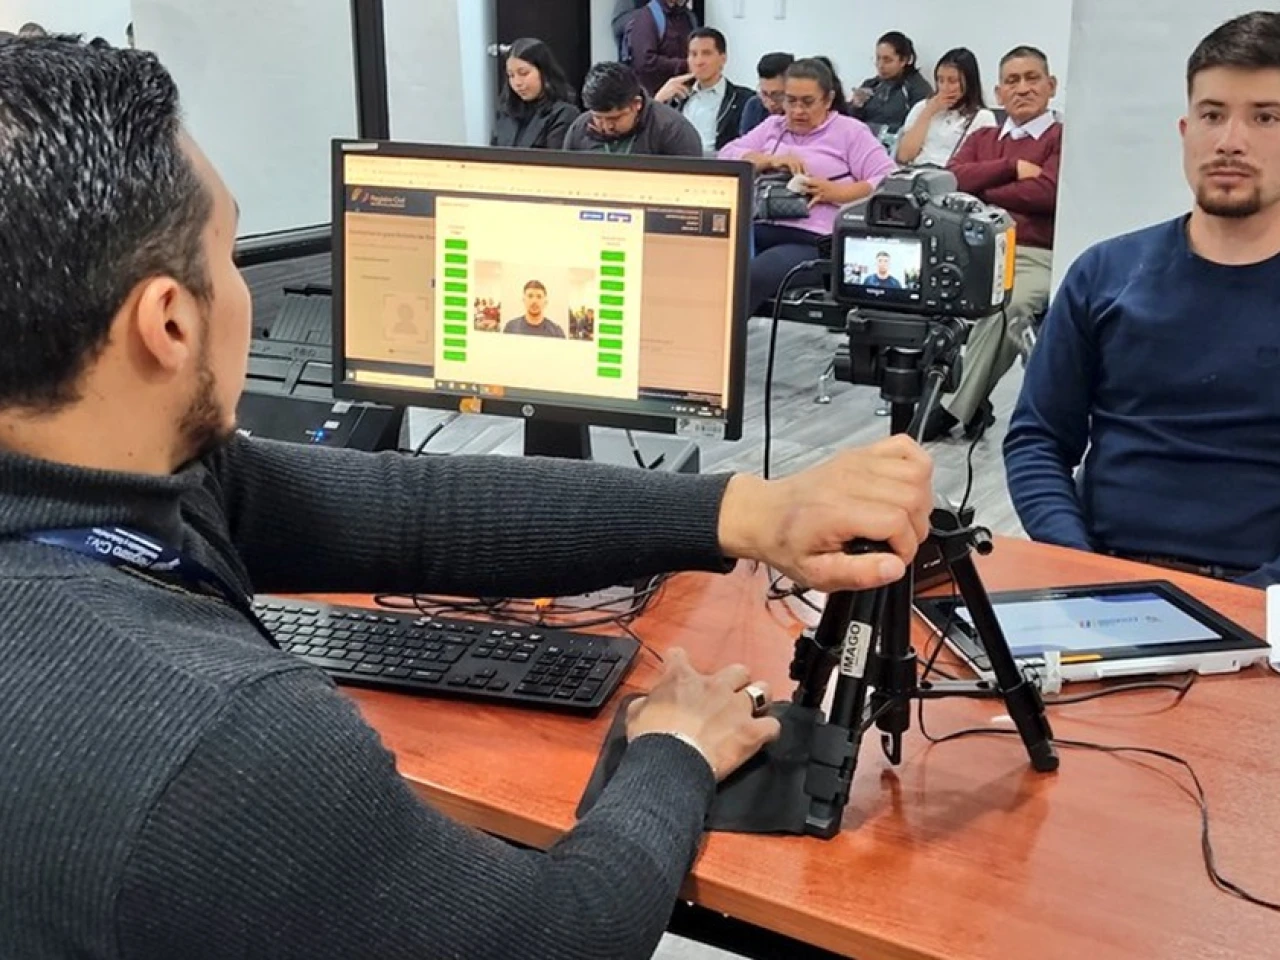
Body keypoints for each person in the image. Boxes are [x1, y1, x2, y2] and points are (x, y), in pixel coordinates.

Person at [0, 37, 935, 959]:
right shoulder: (215, 736)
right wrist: (676, 749)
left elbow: (410, 508)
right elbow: (561, 939)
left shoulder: (120, 481)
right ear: (168, 322)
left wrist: (746, 513)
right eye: (231, 254)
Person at [1005, 12, 1280, 588]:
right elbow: (1038, 439)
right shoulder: (1105, 273)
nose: (1230, 141)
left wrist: (1250, 604)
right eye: (1212, 114)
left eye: (1266, 117)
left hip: (1263, 598)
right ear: (1186, 130)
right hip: (1102, 574)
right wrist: (1080, 566)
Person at [921, 45, 1062, 442]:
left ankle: (952, 408)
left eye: (1032, 78)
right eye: (1012, 81)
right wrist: (1010, 168)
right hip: (971, 252)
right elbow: (952, 180)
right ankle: (973, 400)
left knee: (1007, 307)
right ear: (999, 92)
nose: (1023, 88)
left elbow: (1047, 193)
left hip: (1032, 253)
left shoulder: (1062, 138)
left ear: (1051, 86)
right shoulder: (984, 136)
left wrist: (984, 191)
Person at [719, 57, 896, 317]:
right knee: (706, 264)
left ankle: (714, 340)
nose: (798, 111)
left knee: (749, 276)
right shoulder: (773, 126)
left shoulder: (850, 132)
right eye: (790, 101)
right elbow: (726, 155)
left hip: (813, 240)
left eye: (807, 102)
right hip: (756, 230)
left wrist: (837, 193)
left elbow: (888, 179)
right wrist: (769, 160)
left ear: (828, 99)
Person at [564, 61, 702, 157]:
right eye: (598, 118)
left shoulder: (673, 130)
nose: (607, 126)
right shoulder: (580, 128)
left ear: (637, 104)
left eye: (615, 118)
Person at [654, 27, 752, 154]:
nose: (699, 61)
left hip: (719, 162)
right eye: (693, 54)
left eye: (706, 53)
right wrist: (658, 101)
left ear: (723, 59)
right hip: (678, 161)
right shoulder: (675, 96)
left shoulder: (743, 99)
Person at [896, 47, 998, 168]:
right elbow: (904, 156)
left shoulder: (982, 117)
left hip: (951, 174)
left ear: (968, 83)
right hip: (917, 171)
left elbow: (982, 165)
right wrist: (928, 112)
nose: (945, 87)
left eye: (952, 81)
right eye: (940, 80)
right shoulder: (922, 107)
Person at [491, 37, 580, 151]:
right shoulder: (506, 111)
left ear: (543, 72)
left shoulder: (564, 114)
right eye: (511, 75)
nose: (517, 82)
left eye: (523, 73)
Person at [849, 31, 934, 133]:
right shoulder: (871, 85)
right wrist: (856, 106)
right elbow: (850, 123)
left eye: (887, 60)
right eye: (878, 58)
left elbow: (921, 128)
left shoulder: (918, 89)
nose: (880, 65)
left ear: (904, 60)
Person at [622, 0, 697, 97]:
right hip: (654, 97)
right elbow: (644, 62)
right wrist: (683, 65)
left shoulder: (688, 17)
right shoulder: (647, 17)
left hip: (685, 95)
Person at [739, 51, 793, 136]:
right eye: (764, 94)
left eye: (777, 95)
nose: (770, 103)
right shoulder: (754, 105)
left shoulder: (801, 112)